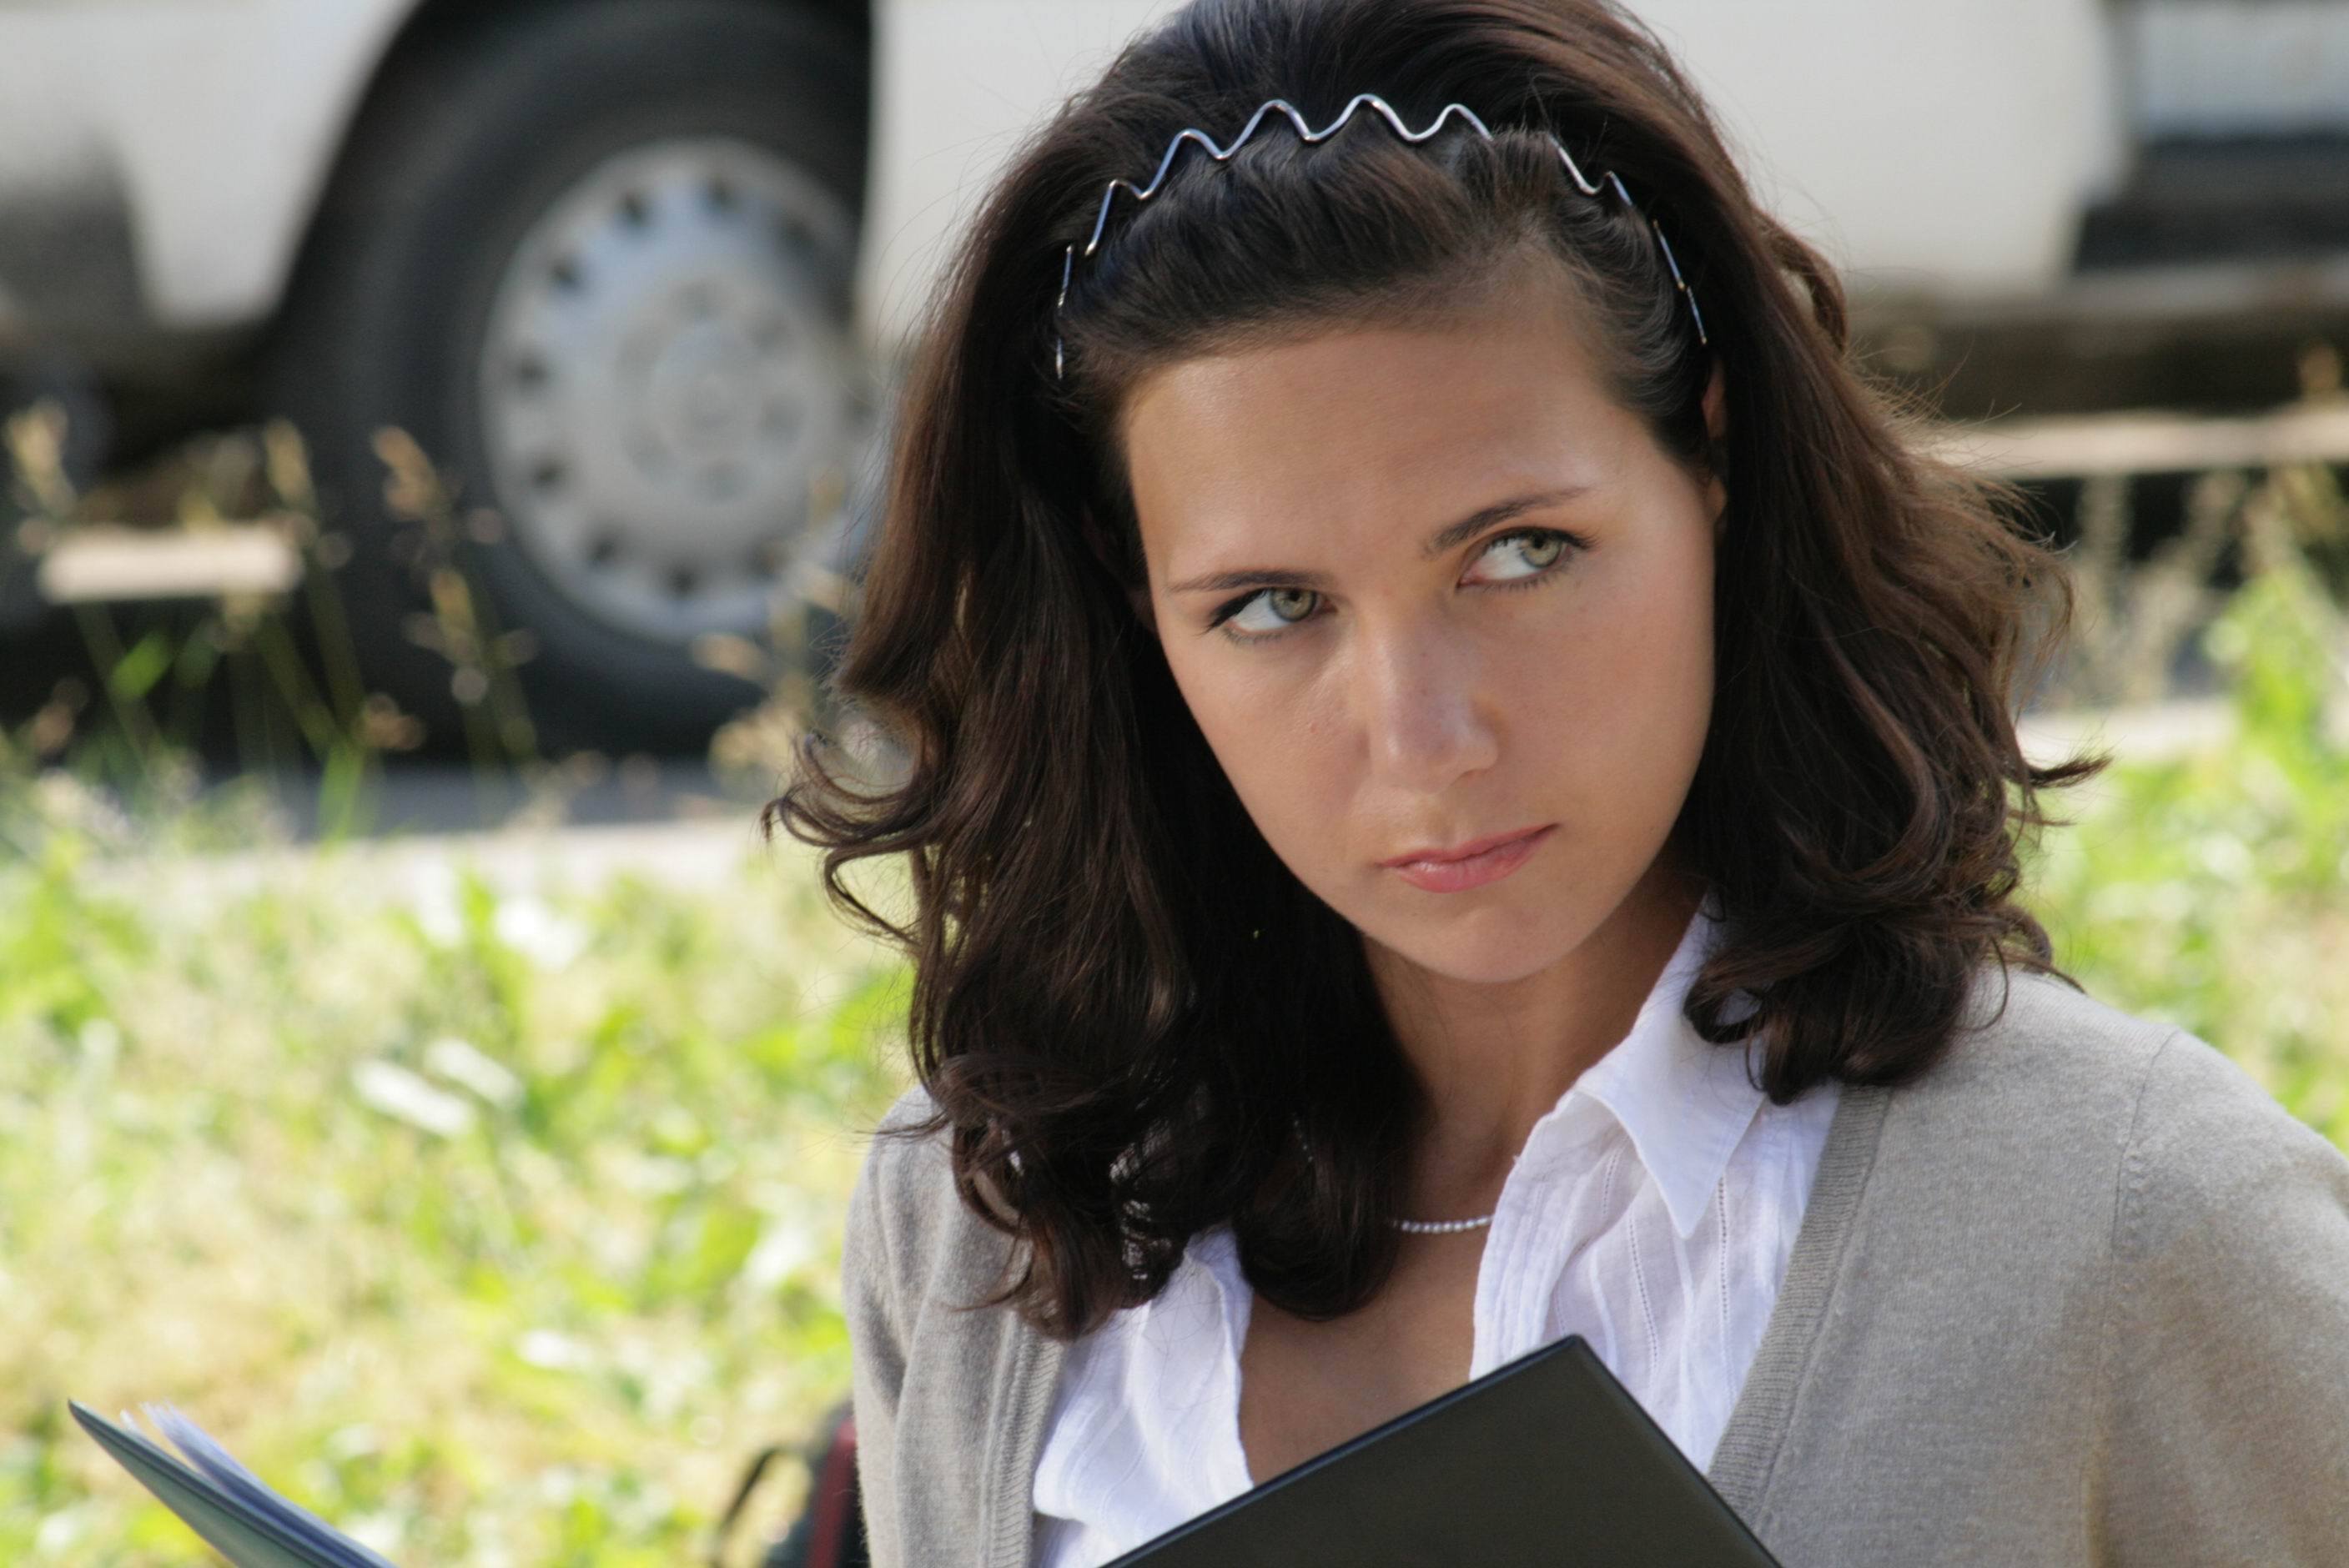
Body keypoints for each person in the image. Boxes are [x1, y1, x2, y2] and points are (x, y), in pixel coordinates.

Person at [766, 0, 2349, 1562]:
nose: (1424, 738)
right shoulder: (987, 1220)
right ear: (1132, 602)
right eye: (1272, 605)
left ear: (1712, 460)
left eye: (1521, 554)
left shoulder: (2126, 1213)